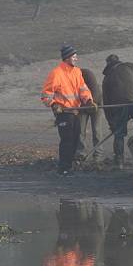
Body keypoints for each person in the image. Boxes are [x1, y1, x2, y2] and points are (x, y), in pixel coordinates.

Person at [40, 45, 95, 175]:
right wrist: (54, 105)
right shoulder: (56, 73)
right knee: (67, 140)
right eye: (74, 56)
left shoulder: (77, 72)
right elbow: (46, 94)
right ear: (67, 57)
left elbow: (83, 89)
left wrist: (89, 101)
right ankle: (63, 168)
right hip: (63, 113)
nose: (76, 58)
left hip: (75, 112)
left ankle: (68, 166)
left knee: (76, 139)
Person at [102, 54, 133, 168]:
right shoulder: (132, 66)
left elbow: (106, 103)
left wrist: (111, 123)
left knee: (119, 135)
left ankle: (119, 162)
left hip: (119, 106)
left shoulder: (106, 78)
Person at [76, 67, 104, 164]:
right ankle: (81, 153)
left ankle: (98, 155)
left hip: (96, 103)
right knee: (80, 130)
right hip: (82, 105)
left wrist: (91, 103)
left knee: (96, 130)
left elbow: (95, 90)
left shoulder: (86, 73)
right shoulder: (71, 77)